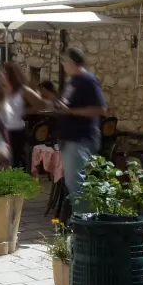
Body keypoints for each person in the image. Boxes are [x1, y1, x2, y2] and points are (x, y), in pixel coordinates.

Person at [55, 48, 108, 211]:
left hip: (80, 139)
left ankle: (84, 225)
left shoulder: (87, 80)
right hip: (70, 139)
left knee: (78, 183)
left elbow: (101, 109)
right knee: (74, 183)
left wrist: (70, 112)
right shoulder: (73, 81)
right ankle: (81, 221)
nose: (62, 64)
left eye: (64, 61)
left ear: (71, 62)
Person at [0, 62, 45, 171]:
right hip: (1, 131)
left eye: (4, 73)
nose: (1, 75)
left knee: (17, 162)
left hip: (16, 131)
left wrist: (25, 111)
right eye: (1, 73)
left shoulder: (22, 90)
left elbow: (41, 104)